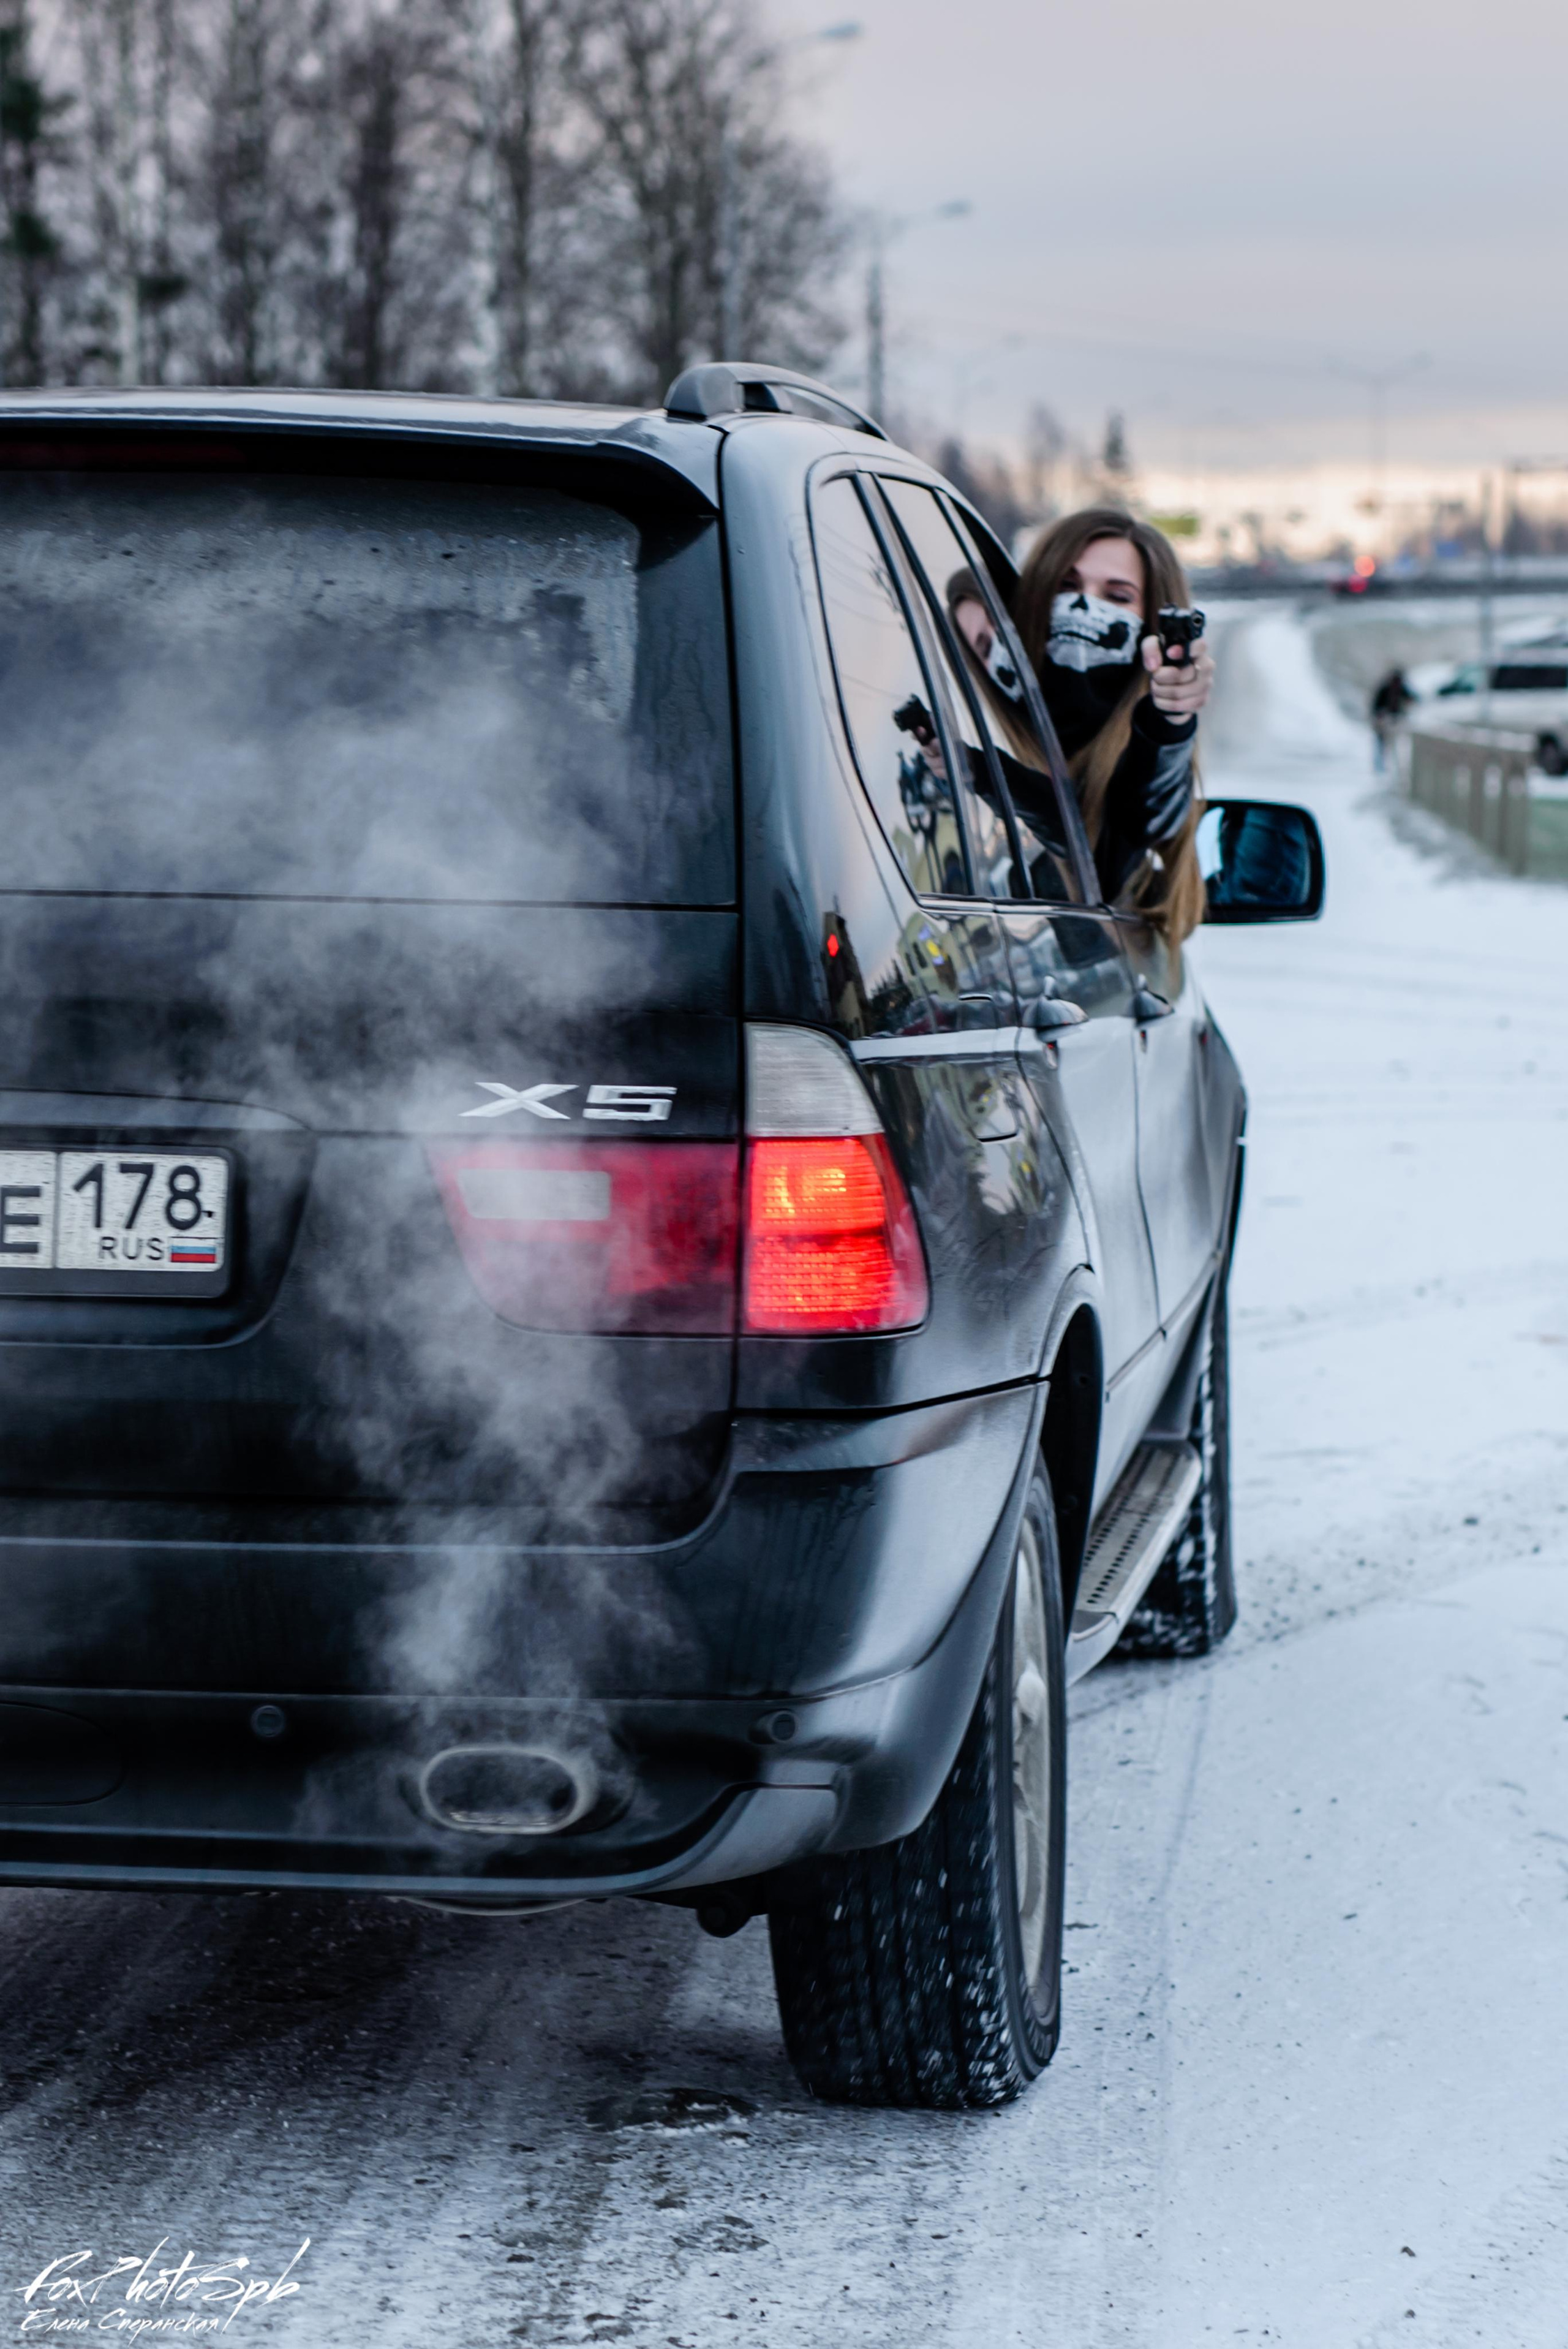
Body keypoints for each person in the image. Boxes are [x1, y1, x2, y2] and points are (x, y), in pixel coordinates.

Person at [1001, 509, 1216, 939]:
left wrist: (1169, 720)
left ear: (1154, 625)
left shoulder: (1144, 745)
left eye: (1117, 597)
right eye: (1066, 586)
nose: (1084, 606)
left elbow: (1149, 811)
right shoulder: (986, 696)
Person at [1370, 666, 1414, 770]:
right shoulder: (1385, 689)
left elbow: (1413, 697)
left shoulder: (1402, 689)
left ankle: (1389, 767)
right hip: (1384, 721)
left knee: (1392, 745)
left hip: (1395, 720)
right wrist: (1379, 716)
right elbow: (1376, 706)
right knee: (1381, 744)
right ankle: (1380, 767)